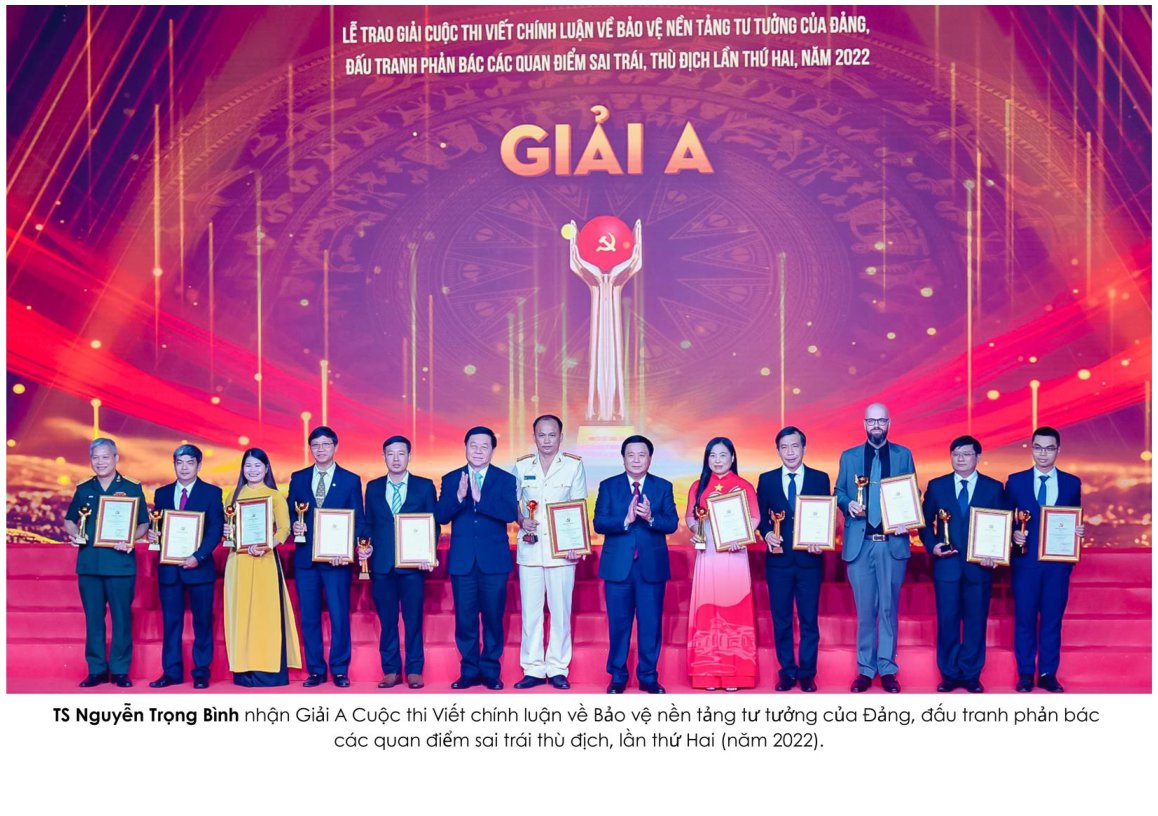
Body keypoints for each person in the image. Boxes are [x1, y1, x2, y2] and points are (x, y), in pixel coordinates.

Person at [835, 403, 917, 693]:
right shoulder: (849, 457)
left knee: (888, 609)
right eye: (872, 421)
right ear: (864, 424)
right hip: (860, 545)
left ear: (889, 423)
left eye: (881, 421)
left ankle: (888, 668)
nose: (877, 426)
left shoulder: (903, 455)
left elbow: (912, 491)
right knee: (865, 610)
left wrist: (909, 517)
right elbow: (839, 491)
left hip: (892, 544)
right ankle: (865, 669)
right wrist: (848, 504)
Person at [919, 435, 1007, 693]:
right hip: (946, 566)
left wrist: (996, 553)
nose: (960, 459)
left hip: (979, 567)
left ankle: (970, 674)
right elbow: (924, 523)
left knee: (976, 622)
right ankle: (948, 674)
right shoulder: (937, 486)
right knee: (947, 621)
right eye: (956, 454)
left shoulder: (994, 488)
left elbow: (1002, 524)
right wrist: (932, 545)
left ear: (978, 457)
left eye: (966, 454)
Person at [592, 434, 679, 694]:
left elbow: (672, 523)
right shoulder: (609, 486)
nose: (636, 459)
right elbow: (599, 522)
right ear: (623, 458)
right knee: (619, 624)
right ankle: (618, 676)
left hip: (650, 568)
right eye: (631, 455)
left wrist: (651, 517)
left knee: (650, 624)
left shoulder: (663, 486)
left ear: (650, 458)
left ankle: (648, 676)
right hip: (618, 567)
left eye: (642, 455)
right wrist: (626, 520)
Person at [435, 426, 518, 690]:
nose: (478, 451)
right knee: (465, 620)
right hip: (463, 562)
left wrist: (481, 499)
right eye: (473, 445)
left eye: (484, 446)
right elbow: (441, 516)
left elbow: (509, 514)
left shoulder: (505, 479)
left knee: (493, 618)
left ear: (492, 450)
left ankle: (491, 671)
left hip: (494, 562)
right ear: (465, 447)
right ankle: (469, 671)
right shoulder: (451, 479)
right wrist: (459, 497)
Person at [64, 438, 149, 688]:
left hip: (120, 564)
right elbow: (69, 519)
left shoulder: (132, 487)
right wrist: (74, 533)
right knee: (93, 619)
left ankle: (120, 671)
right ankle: (97, 670)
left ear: (115, 458)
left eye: (105, 457)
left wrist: (131, 538)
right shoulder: (84, 488)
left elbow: (143, 523)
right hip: (89, 564)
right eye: (95, 458)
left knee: (122, 619)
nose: (100, 462)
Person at [512, 414, 588, 690]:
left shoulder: (573, 465)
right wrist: (522, 520)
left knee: (560, 610)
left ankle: (557, 667)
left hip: (562, 551)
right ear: (534, 437)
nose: (546, 440)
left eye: (552, 435)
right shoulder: (522, 465)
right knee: (531, 611)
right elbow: (513, 503)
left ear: (560, 437)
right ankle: (532, 668)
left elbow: (579, 505)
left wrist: (576, 544)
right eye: (541, 435)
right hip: (530, 547)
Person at [1006, 426, 1084, 693]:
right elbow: (1006, 519)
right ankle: (1026, 674)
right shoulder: (1015, 482)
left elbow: (1074, 517)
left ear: (1058, 450)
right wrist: (1013, 533)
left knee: (1052, 619)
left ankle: (1048, 673)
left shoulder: (1072, 483)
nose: (1043, 453)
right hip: (1025, 563)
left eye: (1049, 448)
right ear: (1032, 448)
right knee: (1024, 618)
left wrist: (1078, 531)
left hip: (1057, 565)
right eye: (1038, 447)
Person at [288, 426, 366, 688]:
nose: (320, 449)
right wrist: (294, 524)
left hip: (336, 561)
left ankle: (340, 669)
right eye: (315, 445)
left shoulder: (350, 480)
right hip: (306, 560)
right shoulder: (298, 478)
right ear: (310, 448)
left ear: (335, 446)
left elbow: (358, 520)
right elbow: (291, 512)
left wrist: (349, 550)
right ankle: (316, 670)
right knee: (309, 616)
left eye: (325, 444)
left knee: (339, 614)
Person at [755, 426, 832, 692]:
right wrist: (767, 533)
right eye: (784, 447)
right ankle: (787, 672)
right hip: (778, 562)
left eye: (795, 446)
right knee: (782, 619)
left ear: (804, 448)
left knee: (809, 619)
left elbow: (824, 515)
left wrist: (821, 540)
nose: (790, 452)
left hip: (810, 562)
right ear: (778, 450)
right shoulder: (767, 480)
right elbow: (760, 517)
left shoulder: (820, 478)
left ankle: (808, 673)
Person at [684, 437, 759, 691]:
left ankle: (736, 675)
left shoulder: (743, 486)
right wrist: (697, 529)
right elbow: (690, 517)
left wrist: (742, 536)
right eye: (713, 456)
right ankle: (707, 674)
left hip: (734, 553)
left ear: (732, 457)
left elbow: (755, 517)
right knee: (708, 610)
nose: (717, 461)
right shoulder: (698, 486)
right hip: (708, 553)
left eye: (723, 455)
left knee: (733, 609)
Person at [364, 435, 439, 690]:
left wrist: (428, 553)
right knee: (387, 621)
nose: (396, 459)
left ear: (409, 456)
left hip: (413, 566)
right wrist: (365, 546)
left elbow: (433, 525)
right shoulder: (373, 487)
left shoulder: (424, 486)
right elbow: (369, 524)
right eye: (390, 454)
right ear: (383, 456)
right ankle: (391, 670)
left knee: (413, 619)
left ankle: (415, 670)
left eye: (401, 453)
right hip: (382, 564)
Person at [223, 448, 301, 687]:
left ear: (266, 469)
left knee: (264, 615)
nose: (253, 470)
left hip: (265, 561)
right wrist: (228, 532)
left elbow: (284, 529)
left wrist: (267, 546)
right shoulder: (232, 496)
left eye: (258, 465)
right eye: (248, 465)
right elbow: (230, 530)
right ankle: (243, 668)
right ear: (242, 469)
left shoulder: (275, 496)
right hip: (238, 562)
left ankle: (267, 670)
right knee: (240, 614)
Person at [148, 444, 224, 689]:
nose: (184, 467)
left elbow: (215, 530)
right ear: (174, 465)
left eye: (190, 462)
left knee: (202, 622)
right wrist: (154, 535)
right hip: (170, 570)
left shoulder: (212, 493)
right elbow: (160, 527)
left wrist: (198, 556)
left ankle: (201, 672)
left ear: (199, 465)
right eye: (179, 462)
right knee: (171, 623)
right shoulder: (162, 494)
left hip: (199, 568)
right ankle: (171, 672)